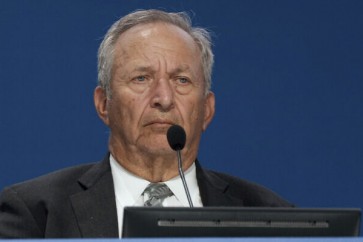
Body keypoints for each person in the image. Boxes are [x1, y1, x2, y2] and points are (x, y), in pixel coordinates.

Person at [0, 9, 292, 238]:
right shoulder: (35, 214)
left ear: (206, 110)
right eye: (141, 78)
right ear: (104, 104)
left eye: (182, 80)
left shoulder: (269, 215)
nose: (163, 98)